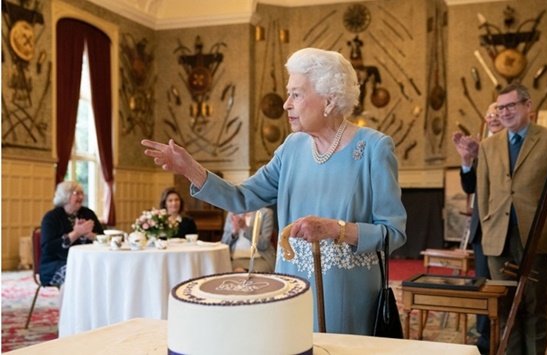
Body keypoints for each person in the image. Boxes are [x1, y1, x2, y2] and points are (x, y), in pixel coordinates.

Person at [142, 47, 407, 335]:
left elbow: (394, 233)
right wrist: (191, 169)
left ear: (329, 100)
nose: (286, 104)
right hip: (291, 287)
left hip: (348, 295)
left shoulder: (373, 148)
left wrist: (336, 229)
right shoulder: (291, 149)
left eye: (296, 94)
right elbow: (241, 198)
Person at [476, 84, 547, 355]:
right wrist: (489, 223)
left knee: (535, 307)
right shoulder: (489, 146)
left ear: (528, 106)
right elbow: (484, 192)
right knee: (505, 307)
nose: (504, 112)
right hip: (498, 241)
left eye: (511, 106)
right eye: (500, 107)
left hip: (535, 237)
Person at [452, 102, 503, 354]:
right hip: (482, 230)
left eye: (498, 113)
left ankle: (505, 338)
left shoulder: (509, 146)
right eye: (490, 114)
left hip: (506, 228)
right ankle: (484, 341)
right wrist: (466, 160)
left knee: (502, 289)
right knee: (482, 287)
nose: (494, 117)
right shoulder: (480, 145)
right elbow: (470, 187)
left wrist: (481, 152)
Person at [40, 181, 104, 287]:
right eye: (76, 193)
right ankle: (69, 304)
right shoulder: (51, 217)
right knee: (76, 274)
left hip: (88, 262)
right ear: (66, 195)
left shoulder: (88, 213)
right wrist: (76, 233)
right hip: (56, 264)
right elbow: (47, 247)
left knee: (103, 271)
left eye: (82, 193)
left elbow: (103, 238)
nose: (81, 197)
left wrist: (90, 235)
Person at [221, 208, 276, 272]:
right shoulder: (232, 213)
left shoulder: (266, 212)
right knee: (233, 274)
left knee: (255, 277)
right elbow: (224, 243)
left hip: (259, 258)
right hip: (236, 259)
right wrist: (234, 232)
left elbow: (263, 244)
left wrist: (245, 227)